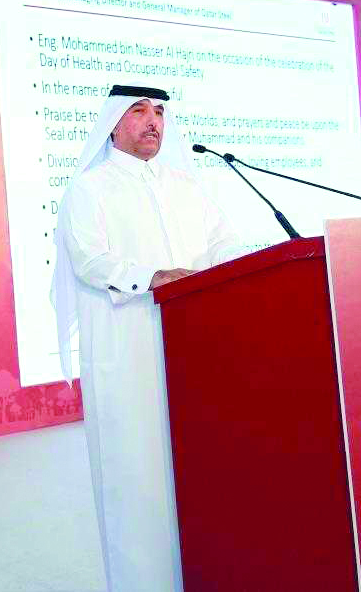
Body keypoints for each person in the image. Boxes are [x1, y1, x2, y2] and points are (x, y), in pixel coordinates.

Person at [51, 85, 245, 592]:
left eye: (158, 110)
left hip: (193, 350)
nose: (152, 120)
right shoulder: (89, 188)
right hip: (127, 350)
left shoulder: (185, 184)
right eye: (139, 110)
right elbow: (89, 260)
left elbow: (225, 245)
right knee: (133, 476)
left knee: (197, 474)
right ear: (114, 121)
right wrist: (151, 276)